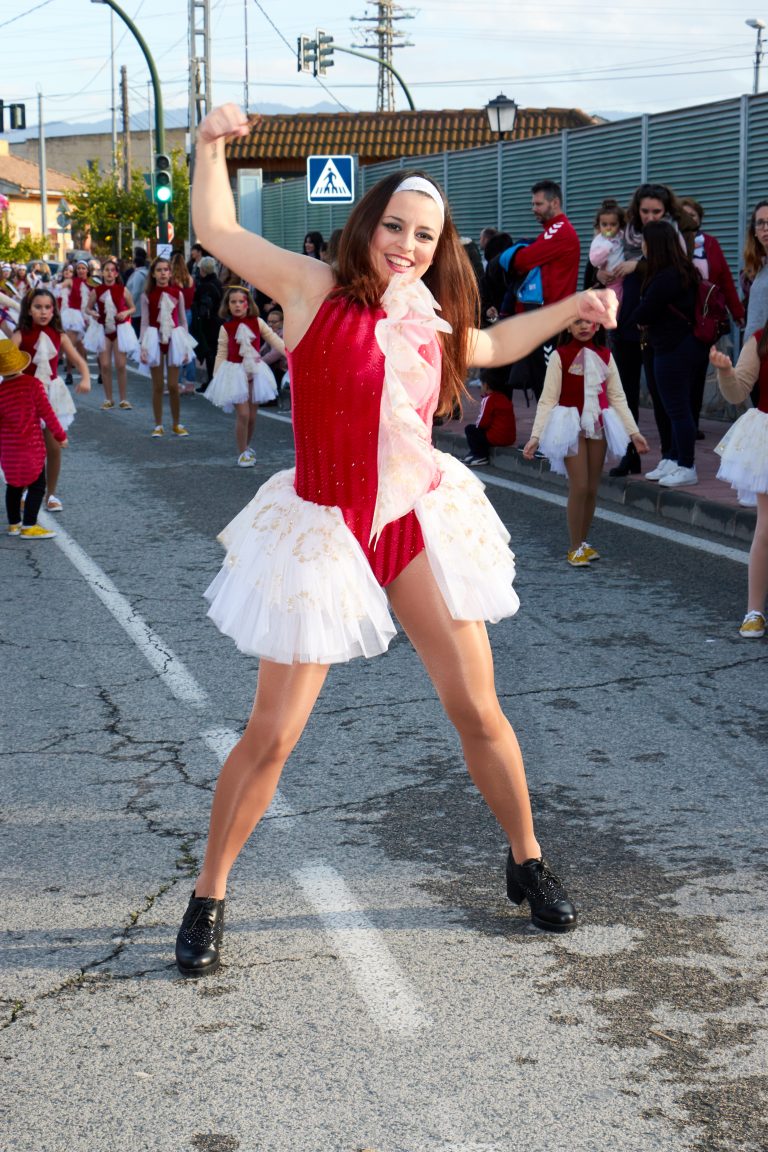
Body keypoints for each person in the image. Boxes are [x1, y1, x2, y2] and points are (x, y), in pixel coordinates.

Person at [172, 102, 620, 979]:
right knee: (272, 735)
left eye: (424, 235)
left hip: (415, 523)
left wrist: (575, 303)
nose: (407, 246)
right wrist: (210, 146)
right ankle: (209, 894)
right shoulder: (308, 287)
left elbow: (489, 343)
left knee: (477, 708)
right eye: (395, 227)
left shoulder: (430, 314)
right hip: (323, 530)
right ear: (367, 223)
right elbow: (215, 223)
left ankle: (525, 861)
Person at [522, 318, 648, 565]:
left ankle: (583, 542)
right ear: (568, 326)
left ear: (598, 326)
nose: (583, 326)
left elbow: (617, 397)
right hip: (569, 425)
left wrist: (634, 433)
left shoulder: (606, 354)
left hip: (599, 425)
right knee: (579, 486)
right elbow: (548, 399)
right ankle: (574, 547)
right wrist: (535, 436)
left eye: (588, 322)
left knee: (591, 489)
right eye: (577, 322)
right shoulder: (560, 356)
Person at [605, 183, 684, 478]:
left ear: (667, 212)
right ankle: (631, 455)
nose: (650, 217)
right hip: (625, 322)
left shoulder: (672, 237)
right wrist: (600, 272)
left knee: (661, 394)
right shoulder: (619, 233)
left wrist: (635, 266)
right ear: (636, 210)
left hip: (655, 325)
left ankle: (670, 455)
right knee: (624, 394)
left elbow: (676, 270)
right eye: (645, 211)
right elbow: (600, 261)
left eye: (657, 212)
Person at [629, 219, 702, 487]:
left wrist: (639, 315)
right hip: (679, 347)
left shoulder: (666, 277)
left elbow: (644, 312)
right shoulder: (681, 270)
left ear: (655, 244)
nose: (642, 246)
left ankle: (686, 465)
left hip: (672, 349)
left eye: (645, 241)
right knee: (674, 408)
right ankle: (672, 458)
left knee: (678, 409)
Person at [11, 288, 89, 512]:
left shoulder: (60, 335)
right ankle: (27, 489)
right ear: (29, 310)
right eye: (38, 307)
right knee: (27, 447)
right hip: (26, 394)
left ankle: (51, 493)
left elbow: (79, 360)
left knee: (54, 447)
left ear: (54, 310)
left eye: (47, 307)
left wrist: (85, 377)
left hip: (52, 394)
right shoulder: (21, 334)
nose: (43, 312)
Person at [710, 337, 768, 637]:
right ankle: (754, 611)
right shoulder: (759, 340)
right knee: (767, 528)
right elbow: (737, 393)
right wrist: (725, 372)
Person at [503, 180, 580, 400]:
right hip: (546, 320)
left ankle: (554, 434)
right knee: (543, 386)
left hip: (552, 322)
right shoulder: (552, 230)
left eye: (538, 204)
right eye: (533, 204)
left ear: (554, 202)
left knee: (550, 389)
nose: (533, 209)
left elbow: (523, 261)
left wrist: (509, 256)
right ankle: (546, 434)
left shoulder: (559, 230)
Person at [679, 196, 745, 436]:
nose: (689, 219)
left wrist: (737, 312)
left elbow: (726, 280)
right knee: (679, 373)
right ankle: (679, 422)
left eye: (693, 215)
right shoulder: (672, 244)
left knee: (697, 373)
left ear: (700, 219)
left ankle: (691, 424)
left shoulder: (711, 244)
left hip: (704, 319)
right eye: (684, 215)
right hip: (677, 318)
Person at [204, 285, 285, 466]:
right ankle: (242, 453)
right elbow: (221, 352)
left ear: (248, 304)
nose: (237, 305)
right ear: (228, 305)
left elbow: (274, 340)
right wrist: (218, 377)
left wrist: (290, 355)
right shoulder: (226, 328)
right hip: (234, 373)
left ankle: (246, 446)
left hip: (255, 372)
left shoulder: (258, 322)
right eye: (233, 302)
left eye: (241, 302)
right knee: (243, 414)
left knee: (253, 416)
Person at [0, 339, 68, 540]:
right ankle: (29, 525)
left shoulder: (1, 391)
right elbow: (48, 414)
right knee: (37, 486)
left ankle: (14, 524)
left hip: (9, 450)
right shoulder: (33, 385)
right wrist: (60, 436)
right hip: (31, 447)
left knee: (13, 486)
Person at [139, 255, 197, 437]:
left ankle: (176, 423)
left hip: (174, 338)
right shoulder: (147, 295)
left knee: (173, 385)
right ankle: (158, 425)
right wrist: (143, 346)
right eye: (159, 270)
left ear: (170, 273)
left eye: (166, 270)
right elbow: (145, 322)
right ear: (154, 274)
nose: (163, 273)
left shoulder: (177, 293)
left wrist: (186, 346)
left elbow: (182, 320)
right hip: (154, 338)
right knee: (157, 386)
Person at [84, 258, 138, 409]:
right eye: (106, 270)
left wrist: (125, 312)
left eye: (112, 270)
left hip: (120, 329)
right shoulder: (97, 290)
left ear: (116, 273)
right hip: (103, 329)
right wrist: (92, 312)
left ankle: (123, 399)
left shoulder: (123, 289)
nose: (109, 273)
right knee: (105, 365)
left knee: (121, 365)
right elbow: (87, 308)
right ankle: (108, 399)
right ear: (102, 273)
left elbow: (133, 307)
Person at [464, 373, 517, 466]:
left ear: (486, 385)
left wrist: (478, 427)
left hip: (496, 438)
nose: (480, 387)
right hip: (510, 439)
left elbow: (482, 423)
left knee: (470, 430)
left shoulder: (489, 399)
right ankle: (474, 454)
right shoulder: (504, 398)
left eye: (481, 384)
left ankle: (480, 455)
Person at [190, 256, 223, 390]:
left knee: (210, 352)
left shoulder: (205, 286)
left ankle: (212, 381)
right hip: (217, 321)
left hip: (208, 323)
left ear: (203, 269)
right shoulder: (217, 282)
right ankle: (213, 380)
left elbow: (204, 307)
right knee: (215, 352)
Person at [587, 199, 626, 307]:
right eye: (604, 224)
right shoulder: (598, 241)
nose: (609, 227)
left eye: (613, 224)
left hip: (623, 274)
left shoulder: (621, 236)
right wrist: (606, 247)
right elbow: (594, 261)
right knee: (614, 301)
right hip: (611, 278)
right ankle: (612, 321)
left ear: (619, 225)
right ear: (599, 226)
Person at [171, 252, 198, 393]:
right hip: (189, 312)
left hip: (177, 313)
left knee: (178, 347)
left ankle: (179, 381)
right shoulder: (190, 279)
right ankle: (191, 381)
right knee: (187, 345)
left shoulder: (174, 280)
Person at [125, 247, 149, 339]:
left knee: (137, 332)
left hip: (137, 309)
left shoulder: (137, 275)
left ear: (135, 264)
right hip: (142, 308)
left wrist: (129, 305)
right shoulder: (146, 273)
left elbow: (135, 292)